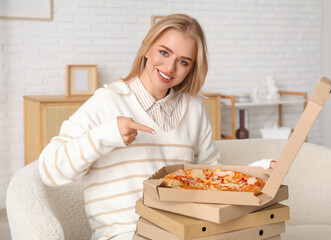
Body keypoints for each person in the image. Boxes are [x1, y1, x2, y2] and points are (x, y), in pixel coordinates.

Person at [38, 13, 273, 240]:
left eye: (183, 62)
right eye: (164, 52)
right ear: (147, 49)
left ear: (191, 68)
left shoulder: (194, 107)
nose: (170, 68)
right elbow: (50, 170)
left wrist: (257, 172)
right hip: (125, 233)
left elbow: (210, 175)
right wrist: (108, 134)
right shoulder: (108, 100)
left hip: (182, 231)